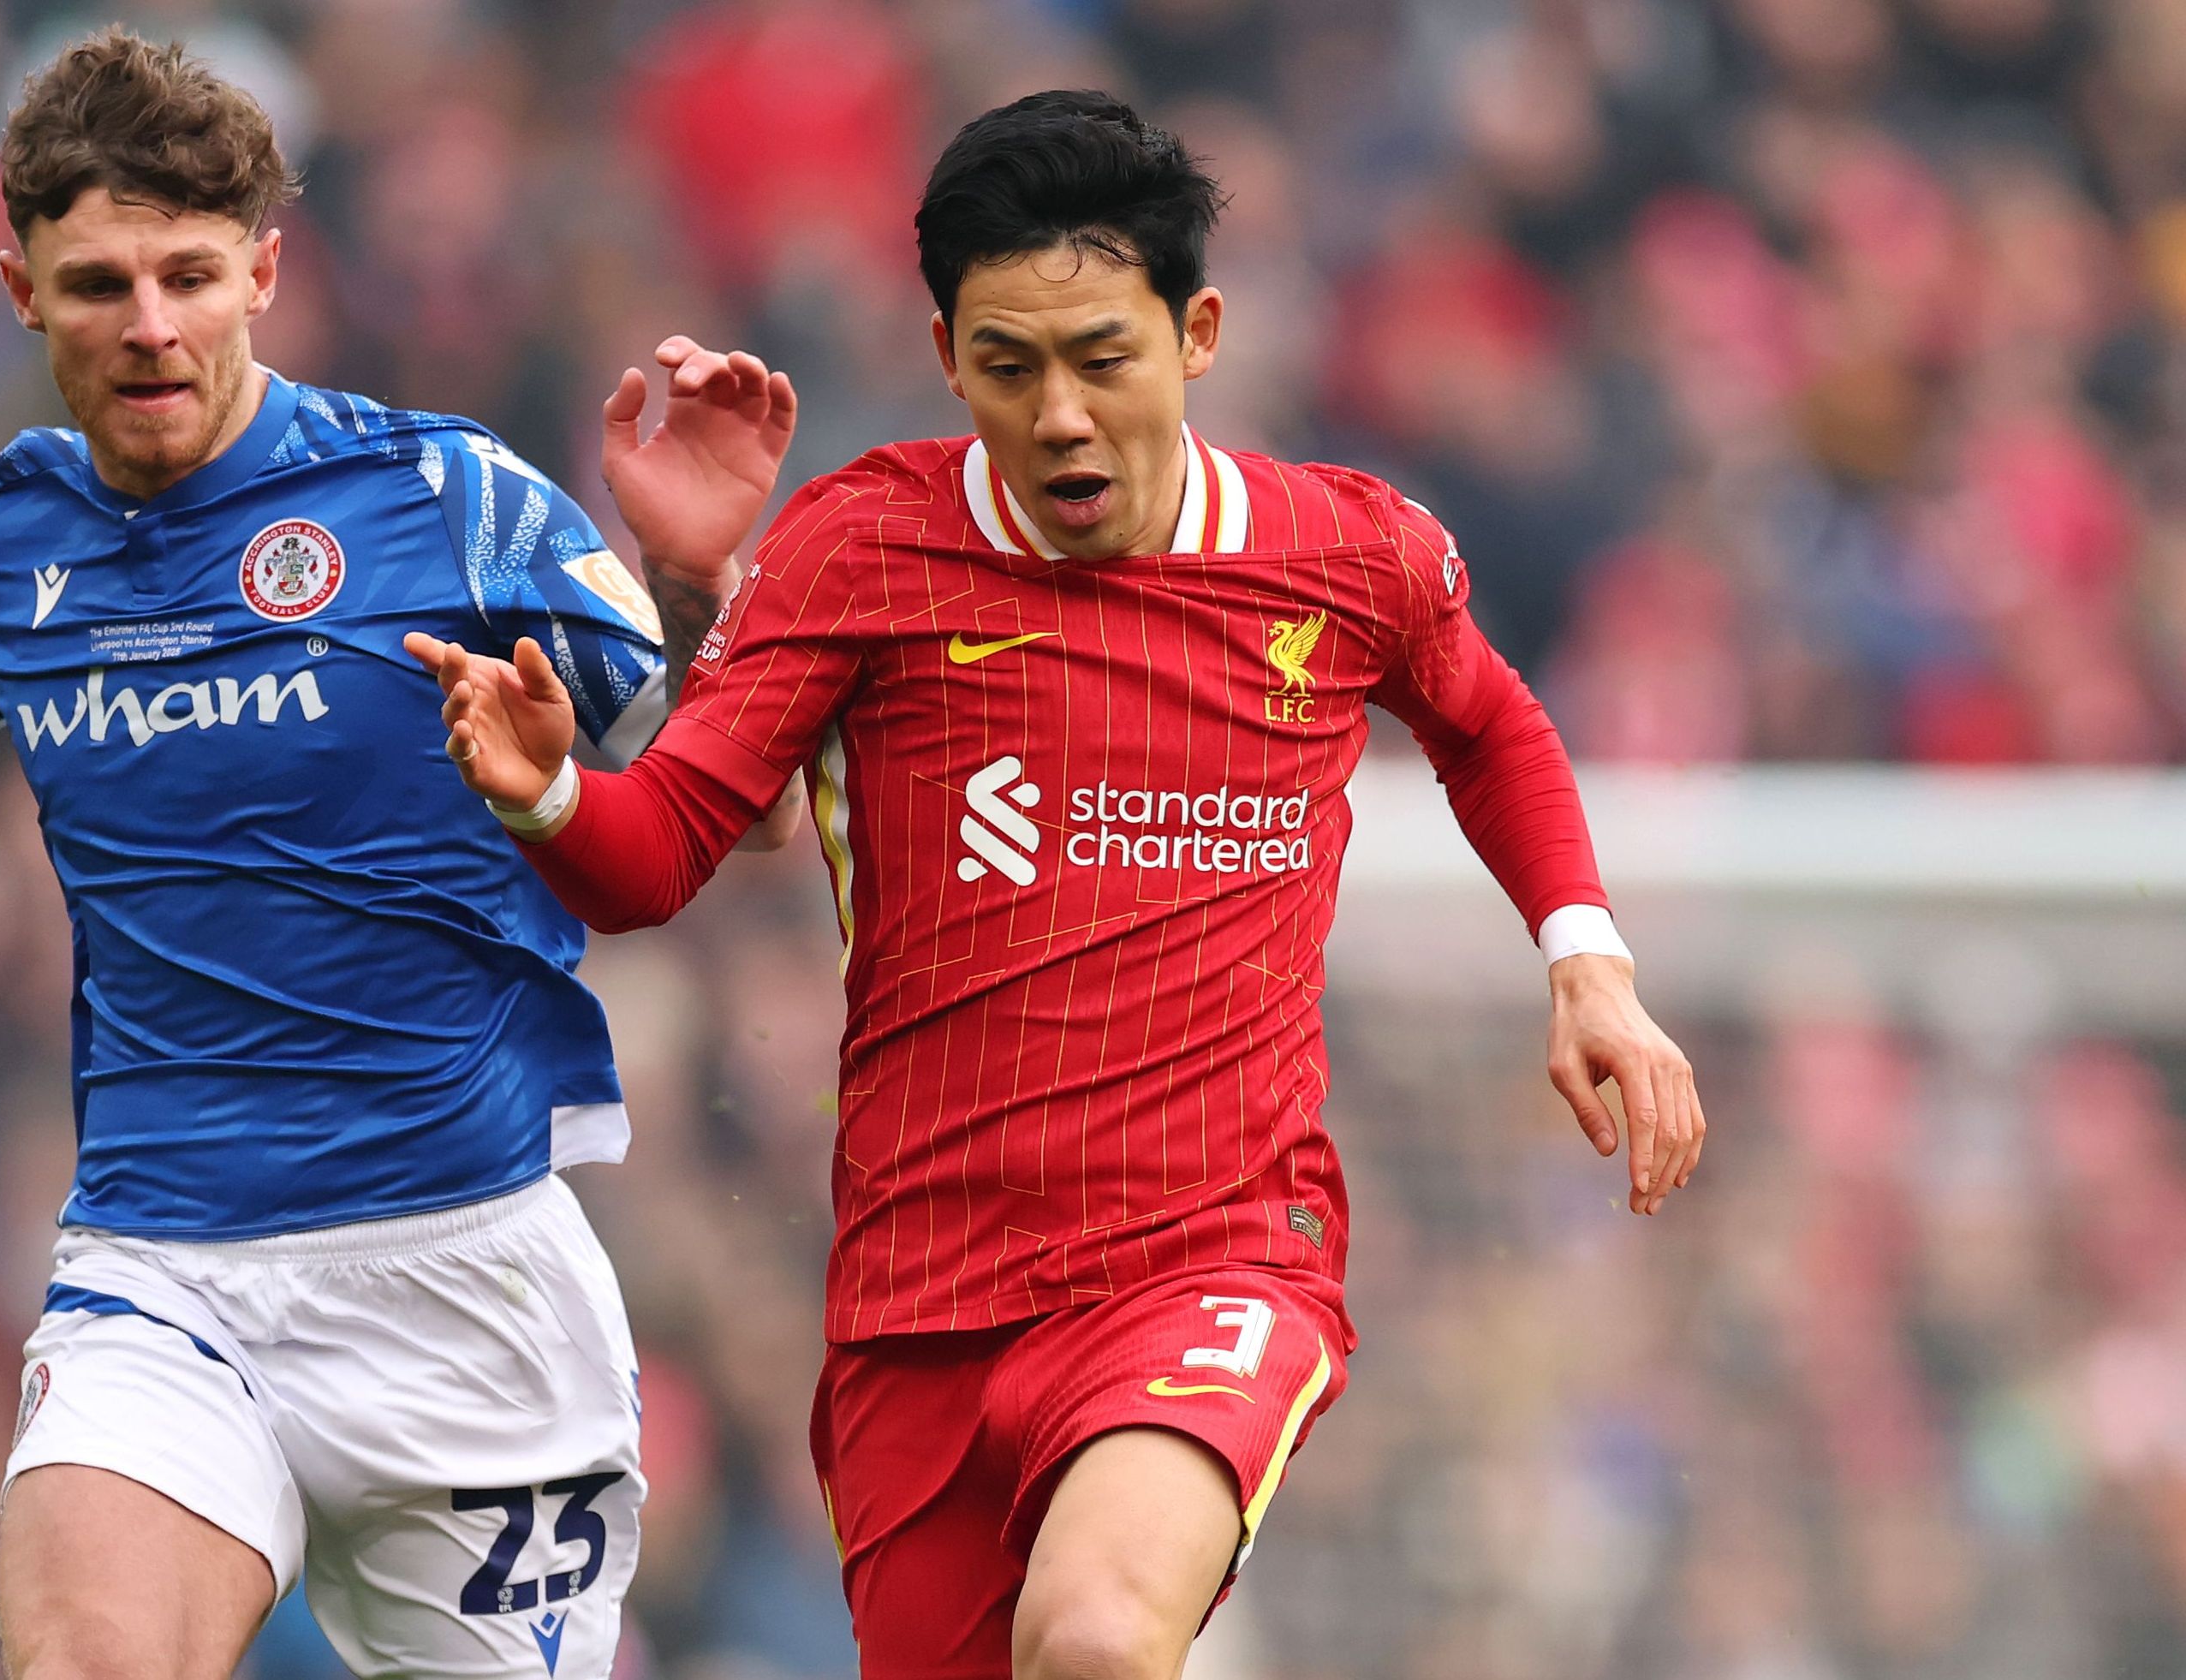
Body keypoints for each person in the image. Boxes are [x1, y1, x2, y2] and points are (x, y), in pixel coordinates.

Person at [0, 29, 797, 1680]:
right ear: (21, 288)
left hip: (465, 1279)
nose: (150, 326)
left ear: (262, 272)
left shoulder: (445, 495)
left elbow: (709, 813)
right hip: (165, 1272)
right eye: (99, 282)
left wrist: (693, 588)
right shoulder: (13, 532)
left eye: (188, 274)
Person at [410, 91, 1708, 1679]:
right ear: (949, 355)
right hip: (916, 1313)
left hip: (1211, 1259)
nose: (1063, 416)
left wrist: (1585, 960)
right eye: (1011, 368)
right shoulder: (859, 548)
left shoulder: (1345, 555)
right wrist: (549, 785)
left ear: (1198, 332)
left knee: (1093, 1636)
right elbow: (659, 852)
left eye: (1104, 358)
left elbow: (1489, 719)